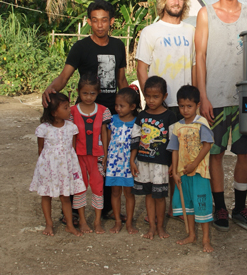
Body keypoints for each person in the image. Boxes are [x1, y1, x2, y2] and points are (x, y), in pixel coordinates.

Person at [43, 0, 129, 221]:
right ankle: (72, 210)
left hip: (110, 115)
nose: (100, 25)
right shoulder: (80, 47)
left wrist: (131, 104)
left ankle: (108, 208)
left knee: (108, 160)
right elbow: (64, 76)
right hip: (84, 115)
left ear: (111, 22)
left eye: (104, 20)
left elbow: (121, 79)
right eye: (95, 20)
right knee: (77, 161)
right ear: (89, 22)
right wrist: (51, 88)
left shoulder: (119, 46)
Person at [194, 0, 247, 231]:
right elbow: (199, 56)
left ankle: (240, 207)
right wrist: (203, 96)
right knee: (216, 154)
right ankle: (220, 207)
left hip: (246, 98)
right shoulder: (205, 13)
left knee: (246, 155)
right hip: (215, 97)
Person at [136, 0, 196, 219]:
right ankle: (156, 206)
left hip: (183, 107)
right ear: (164, 0)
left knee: (180, 159)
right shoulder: (151, 31)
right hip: (159, 109)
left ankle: (177, 206)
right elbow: (142, 68)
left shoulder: (191, 32)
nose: (176, 2)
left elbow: (194, 66)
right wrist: (152, 101)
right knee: (159, 159)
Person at [30, 92, 86, 237]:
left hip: (65, 168)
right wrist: (43, 168)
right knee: (46, 195)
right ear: (54, 112)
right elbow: (40, 149)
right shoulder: (44, 129)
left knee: (65, 196)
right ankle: (49, 224)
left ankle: (69, 225)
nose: (69, 110)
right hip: (48, 167)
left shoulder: (71, 127)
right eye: (66, 108)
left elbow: (71, 149)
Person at [168, 85, 215, 252]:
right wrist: (174, 172)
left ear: (197, 105)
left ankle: (206, 239)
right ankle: (191, 235)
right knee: (187, 205)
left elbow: (207, 146)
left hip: (199, 173)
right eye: (182, 106)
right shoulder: (176, 127)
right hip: (183, 173)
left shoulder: (201, 123)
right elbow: (174, 149)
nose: (185, 110)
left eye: (189, 106)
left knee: (202, 204)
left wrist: (194, 164)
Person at [130, 76, 177, 240]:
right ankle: (151, 228)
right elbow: (135, 139)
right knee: (148, 196)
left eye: (155, 96)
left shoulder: (170, 116)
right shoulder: (141, 116)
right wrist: (132, 161)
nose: (151, 100)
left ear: (164, 97)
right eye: (148, 96)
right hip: (143, 163)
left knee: (160, 196)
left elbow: (173, 143)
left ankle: (160, 227)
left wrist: (173, 164)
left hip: (161, 165)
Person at [69, 73, 111, 234]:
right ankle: (83, 221)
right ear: (79, 92)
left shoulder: (103, 111)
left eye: (92, 93)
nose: (88, 97)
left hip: (97, 156)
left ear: (98, 92)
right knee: (79, 187)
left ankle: (98, 221)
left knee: (98, 187)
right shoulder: (72, 111)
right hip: (78, 156)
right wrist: (71, 156)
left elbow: (105, 135)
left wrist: (105, 155)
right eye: (85, 93)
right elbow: (72, 136)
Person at [106, 86, 141, 235]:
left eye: (122, 106)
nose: (118, 109)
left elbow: (137, 144)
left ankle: (129, 223)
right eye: (116, 105)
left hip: (128, 162)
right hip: (114, 162)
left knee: (128, 193)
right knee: (114, 192)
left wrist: (133, 161)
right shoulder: (112, 120)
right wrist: (105, 158)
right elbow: (107, 140)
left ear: (133, 107)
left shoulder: (136, 123)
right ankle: (118, 221)